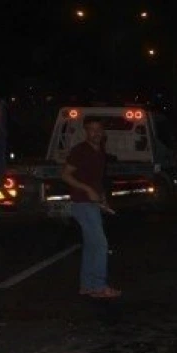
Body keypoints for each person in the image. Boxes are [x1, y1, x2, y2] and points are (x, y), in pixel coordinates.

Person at [61, 116, 120, 298]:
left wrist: (102, 199)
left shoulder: (99, 151)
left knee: (91, 245)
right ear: (85, 131)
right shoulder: (80, 150)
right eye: (91, 129)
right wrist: (87, 190)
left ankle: (87, 286)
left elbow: (96, 180)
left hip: (92, 203)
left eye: (98, 129)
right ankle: (99, 287)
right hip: (82, 203)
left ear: (103, 131)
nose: (95, 133)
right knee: (101, 245)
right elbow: (65, 175)